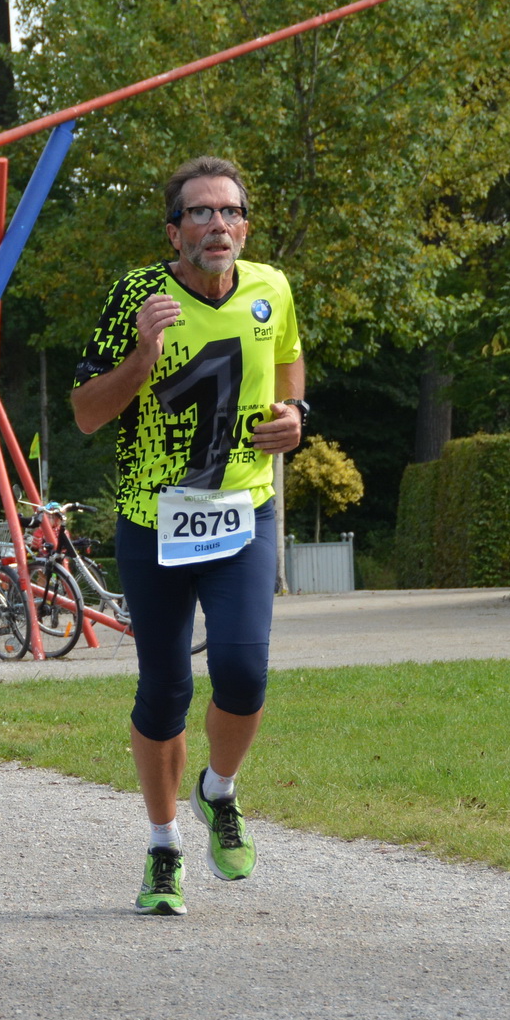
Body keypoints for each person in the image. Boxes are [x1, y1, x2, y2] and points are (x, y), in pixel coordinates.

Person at [70, 155, 306, 917]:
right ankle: (164, 844)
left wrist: (298, 419)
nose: (216, 224)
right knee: (165, 687)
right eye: (199, 213)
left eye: (229, 211)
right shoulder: (135, 295)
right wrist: (142, 355)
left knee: (243, 673)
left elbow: (290, 365)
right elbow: (85, 412)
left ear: (245, 225)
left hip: (244, 511)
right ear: (174, 231)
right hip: (154, 519)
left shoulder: (272, 287)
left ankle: (220, 790)